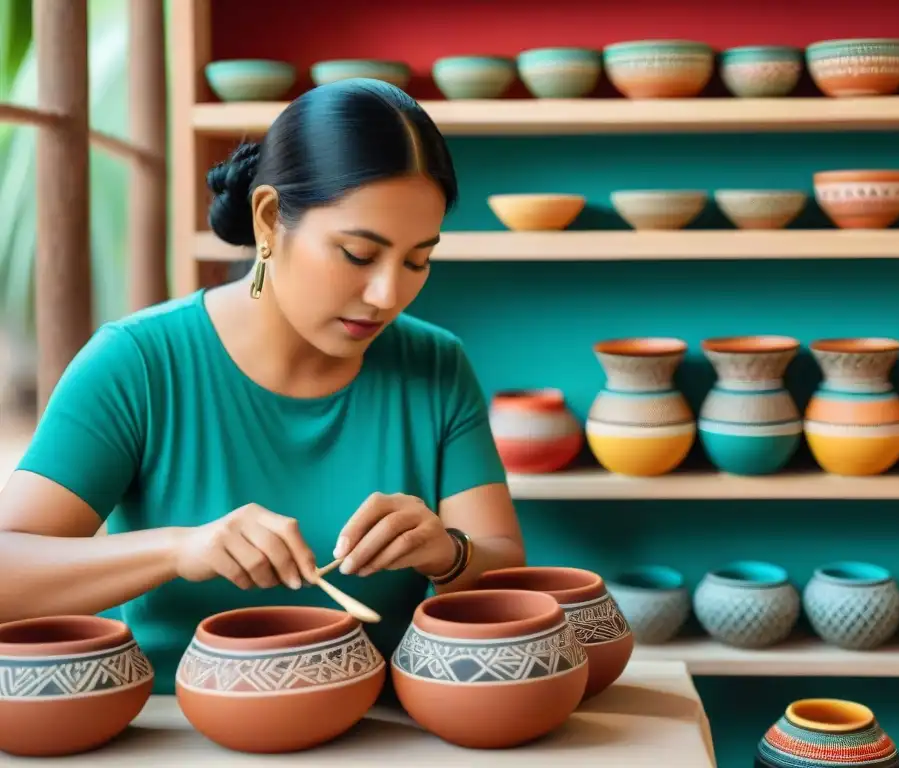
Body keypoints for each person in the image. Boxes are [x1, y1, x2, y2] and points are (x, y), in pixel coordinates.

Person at [0, 78, 525, 694]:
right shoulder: (138, 363)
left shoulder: (435, 364)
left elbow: (507, 576)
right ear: (270, 217)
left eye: (417, 261)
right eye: (359, 254)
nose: (388, 296)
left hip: (383, 731)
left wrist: (449, 552)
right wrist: (179, 550)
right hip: (176, 735)